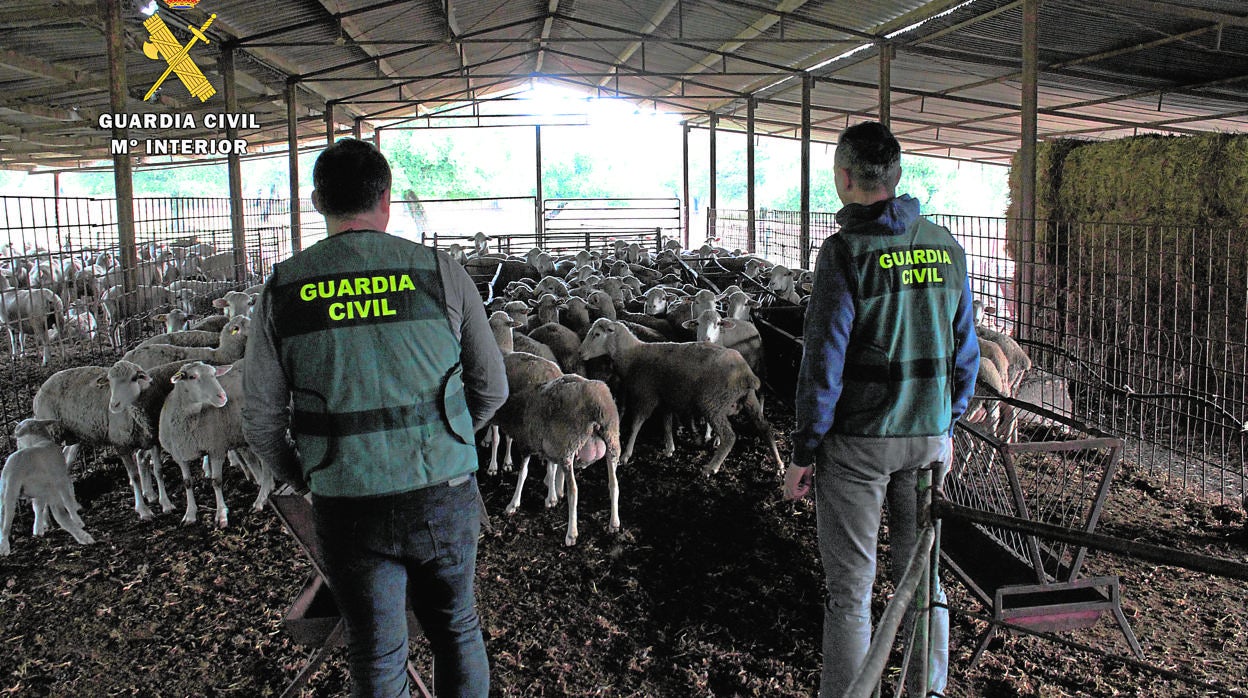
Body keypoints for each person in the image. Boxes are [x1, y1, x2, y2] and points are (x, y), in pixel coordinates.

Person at [243, 138, 508, 698]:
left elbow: (261, 420)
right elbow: (492, 389)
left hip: (347, 500)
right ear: (386, 200)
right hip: (442, 490)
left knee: (377, 649)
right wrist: (450, 438)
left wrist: (308, 474)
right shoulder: (442, 272)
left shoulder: (283, 289)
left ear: (317, 202)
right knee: (456, 630)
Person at [782, 121, 979, 697]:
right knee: (923, 580)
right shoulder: (945, 246)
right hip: (927, 437)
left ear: (844, 178)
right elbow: (964, 350)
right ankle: (928, 690)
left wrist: (804, 449)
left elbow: (823, 360)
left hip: (862, 442)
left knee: (851, 591)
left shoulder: (845, 252)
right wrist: (947, 420)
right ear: (896, 177)